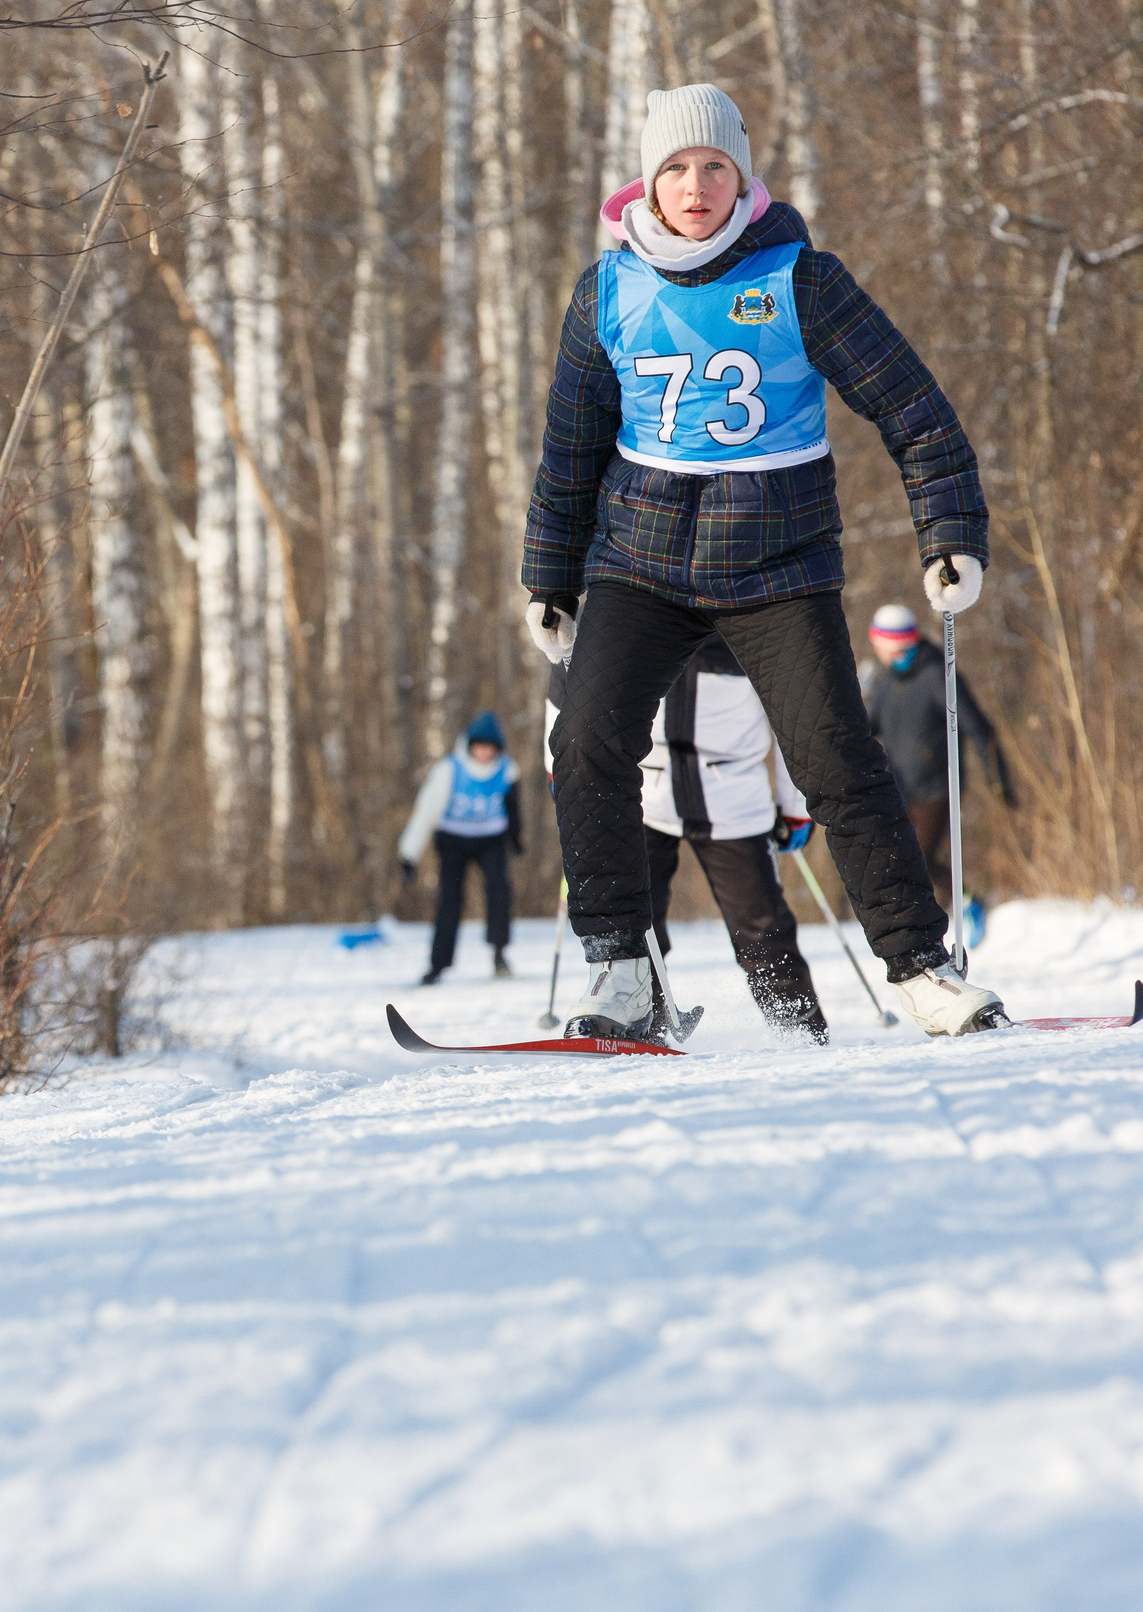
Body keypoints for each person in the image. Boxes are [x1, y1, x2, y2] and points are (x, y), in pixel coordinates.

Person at [520, 82, 1004, 1041]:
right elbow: (570, 450)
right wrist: (550, 576)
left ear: (742, 177)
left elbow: (914, 410)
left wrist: (949, 532)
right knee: (585, 742)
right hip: (640, 565)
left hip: (777, 568)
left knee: (837, 761)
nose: (695, 186)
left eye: (715, 166)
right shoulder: (606, 292)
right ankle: (623, 972)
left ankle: (921, 970)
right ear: (646, 185)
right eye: (675, 169)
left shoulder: (799, 280)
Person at [546, 637, 829, 1040]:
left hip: (732, 799)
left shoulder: (753, 624)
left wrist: (796, 803)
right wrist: (563, 772)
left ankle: (801, 1032)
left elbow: (794, 716)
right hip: (642, 795)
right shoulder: (631, 616)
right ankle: (644, 1024)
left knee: (763, 931)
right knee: (634, 922)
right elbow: (566, 689)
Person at [863, 603, 1016, 913]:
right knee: (902, 860)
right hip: (900, 787)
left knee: (918, 859)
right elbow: (868, 727)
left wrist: (998, 779)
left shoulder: (937, 675)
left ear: (893, 643)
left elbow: (979, 728)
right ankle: (951, 907)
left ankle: (969, 906)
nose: (876, 651)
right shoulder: (886, 681)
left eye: (878, 644)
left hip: (936, 787)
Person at [397, 711, 524, 985]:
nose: (484, 753)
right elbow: (426, 813)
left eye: (490, 748)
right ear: (470, 746)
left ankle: (499, 953)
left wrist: (515, 839)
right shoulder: (449, 770)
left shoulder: (507, 769)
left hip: (491, 839)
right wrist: (409, 855)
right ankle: (438, 964)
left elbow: (513, 808)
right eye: (479, 747)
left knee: (499, 892)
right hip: (453, 840)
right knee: (450, 899)